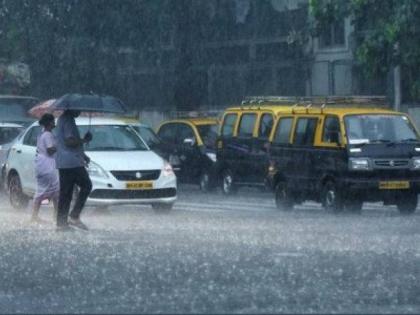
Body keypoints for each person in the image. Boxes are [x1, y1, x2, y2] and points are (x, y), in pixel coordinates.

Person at [55, 109, 92, 231]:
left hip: (64, 162)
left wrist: (83, 155)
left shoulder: (62, 119)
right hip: (72, 162)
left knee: (66, 193)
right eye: (78, 109)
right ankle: (74, 216)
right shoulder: (68, 120)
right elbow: (70, 141)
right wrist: (85, 140)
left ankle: (61, 222)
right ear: (72, 108)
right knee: (86, 185)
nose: (80, 111)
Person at [31, 113, 59, 223]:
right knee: (54, 190)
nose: (54, 123)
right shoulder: (47, 135)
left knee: (47, 190)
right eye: (53, 121)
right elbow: (50, 150)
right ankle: (56, 216)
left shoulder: (42, 134)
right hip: (47, 165)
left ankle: (36, 216)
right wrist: (59, 145)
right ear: (49, 123)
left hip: (42, 164)